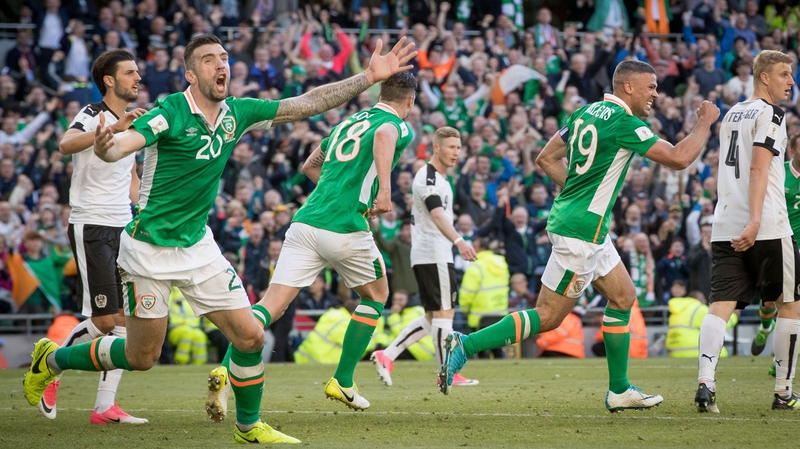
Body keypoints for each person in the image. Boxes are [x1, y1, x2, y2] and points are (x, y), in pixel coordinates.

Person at [23, 33, 417, 445]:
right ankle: (53, 359)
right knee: (141, 357)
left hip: (199, 247)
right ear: (191, 74)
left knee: (250, 336)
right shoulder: (171, 110)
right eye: (210, 59)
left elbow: (306, 104)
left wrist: (368, 77)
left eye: (225, 57)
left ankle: (248, 426)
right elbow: (125, 143)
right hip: (148, 251)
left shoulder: (237, 114)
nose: (221, 65)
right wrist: (106, 147)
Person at [438, 60, 719, 413]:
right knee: (549, 316)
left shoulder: (586, 113)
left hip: (587, 229)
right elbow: (679, 158)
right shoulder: (624, 123)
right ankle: (465, 345)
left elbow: (546, 158)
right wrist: (705, 121)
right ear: (628, 87)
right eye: (651, 86)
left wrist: (578, 193)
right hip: (581, 233)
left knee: (622, 296)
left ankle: (619, 390)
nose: (655, 94)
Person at [35, 49, 147, 424]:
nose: (138, 78)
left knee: (123, 321)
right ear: (110, 80)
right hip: (92, 225)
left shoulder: (130, 123)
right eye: (130, 72)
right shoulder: (93, 113)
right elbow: (66, 144)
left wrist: (143, 210)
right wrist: (113, 128)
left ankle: (103, 407)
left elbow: (130, 177)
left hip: (122, 226)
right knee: (102, 321)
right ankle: (49, 363)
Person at [695, 50, 800, 414]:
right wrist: (755, 221)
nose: (791, 82)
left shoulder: (732, 114)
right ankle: (783, 392)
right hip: (766, 224)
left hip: (725, 223)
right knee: (790, 304)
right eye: (785, 74)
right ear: (764, 77)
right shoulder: (771, 113)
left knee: (720, 306)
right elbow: (757, 170)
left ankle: (705, 383)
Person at [371, 127, 478, 388]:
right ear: (437, 147)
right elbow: (438, 215)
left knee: (433, 318)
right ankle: (446, 372)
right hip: (434, 252)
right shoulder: (428, 178)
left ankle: (387, 355)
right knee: (444, 315)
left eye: (459, 147)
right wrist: (459, 240)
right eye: (451, 147)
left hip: (433, 253)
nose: (456, 152)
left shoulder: (439, 178)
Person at [752, 132, 800, 358]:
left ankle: (781, 358)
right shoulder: (780, 173)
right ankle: (764, 328)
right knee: (770, 300)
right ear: (792, 152)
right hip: (780, 239)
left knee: (793, 303)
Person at [459, 235, 510, 359]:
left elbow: (466, 294)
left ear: (481, 248)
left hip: (479, 317)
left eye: (474, 246)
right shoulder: (502, 263)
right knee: (497, 348)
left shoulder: (476, 267)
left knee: (481, 350)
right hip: (500, 314)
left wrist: (464, 310)